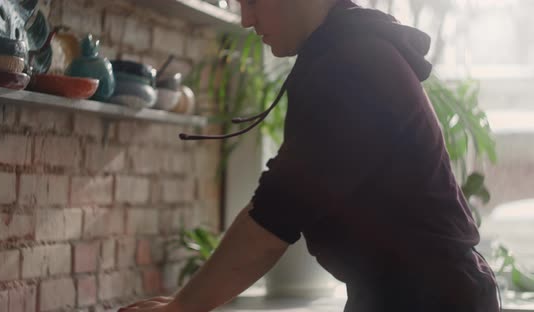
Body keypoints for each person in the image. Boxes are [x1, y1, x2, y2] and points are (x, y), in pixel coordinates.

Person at [119, 0, 500, 311]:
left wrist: (183, 308)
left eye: (253, 1)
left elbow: (275, 217)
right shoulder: (345, 52)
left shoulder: (351, 63)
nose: (245, 19)